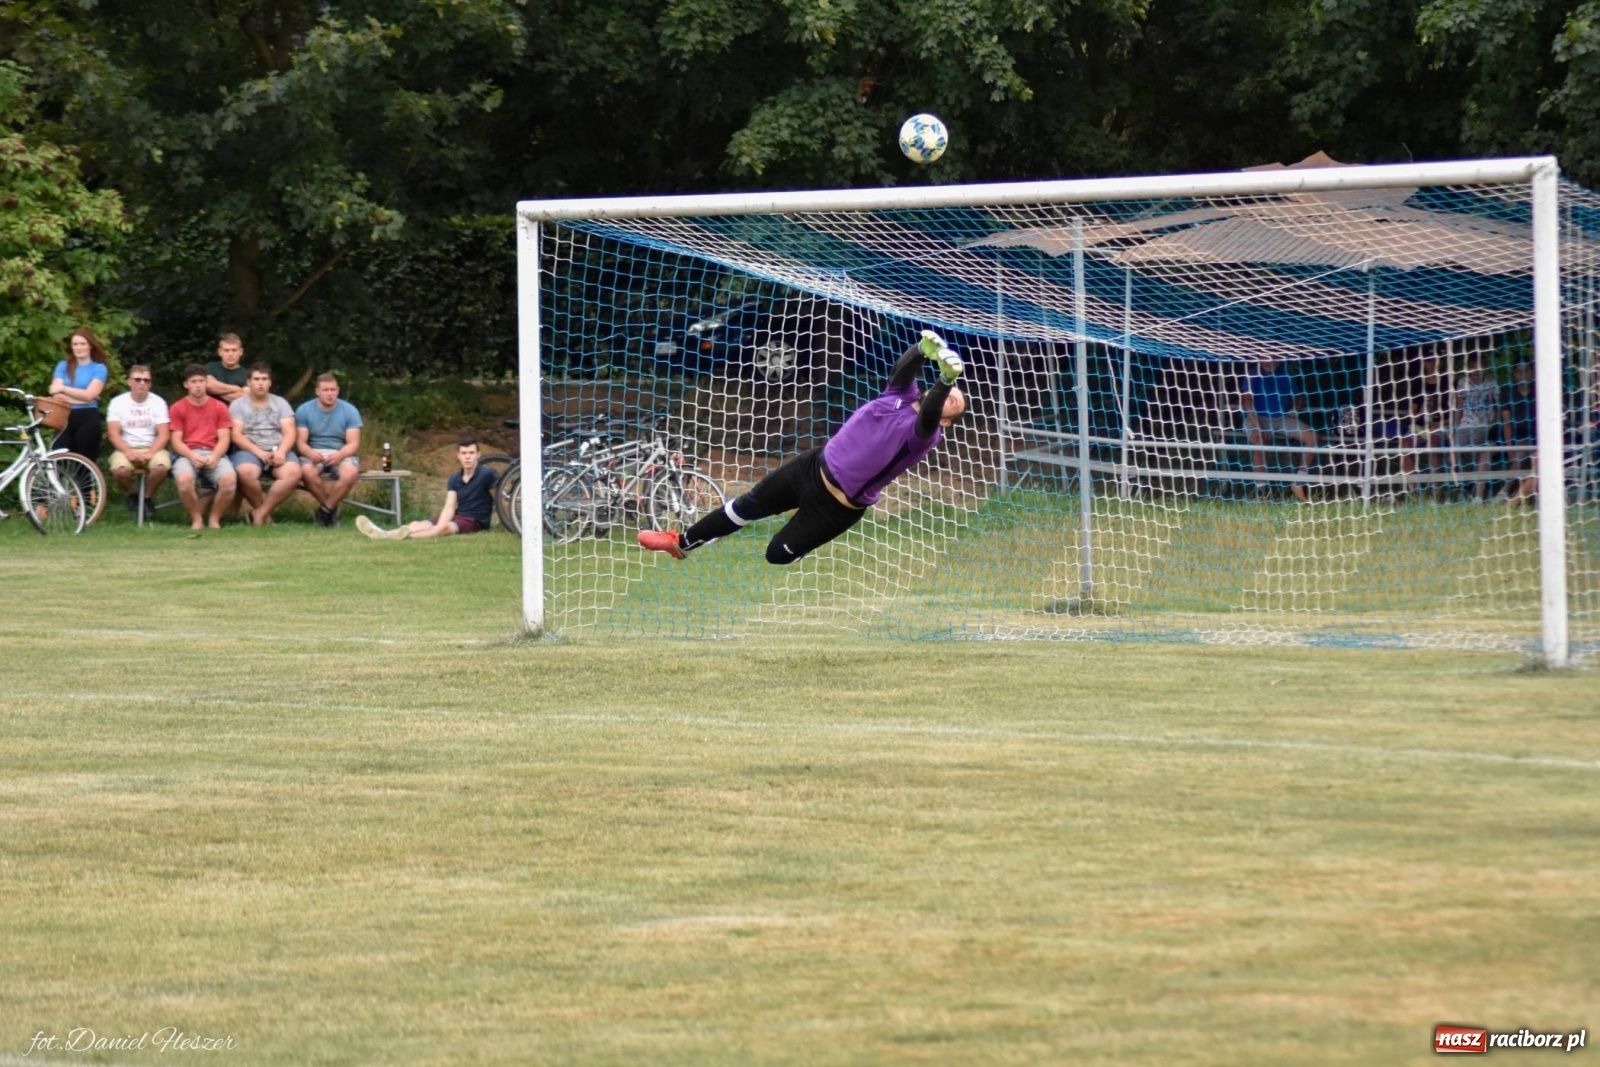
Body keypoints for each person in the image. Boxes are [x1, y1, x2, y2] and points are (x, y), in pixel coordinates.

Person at [637, 330, 966, 564]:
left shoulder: (924, 435)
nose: (951, 399)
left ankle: (803, 542)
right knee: (746, 505)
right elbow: (902, 370)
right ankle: (680, 544)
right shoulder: (899, 396)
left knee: (776, 555)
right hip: (812, 467)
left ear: (946, 422)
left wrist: (946, 381)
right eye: (951, 394)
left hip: (837, 506)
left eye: (956, 403)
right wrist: (922, 350)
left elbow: (931, 411)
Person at [355, 438, 496, 541]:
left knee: (444, 528)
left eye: (471, 453)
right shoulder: (454, 478)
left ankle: (396, 538)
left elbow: (499, 497)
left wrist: (510, 524)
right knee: (416, 524)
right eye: (464, 453)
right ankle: (385, 533)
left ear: (478, 455)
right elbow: (450, 506)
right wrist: (439, 523)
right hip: (458, 515)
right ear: (458, 456)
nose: (467, 457)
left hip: (475, 521)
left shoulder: (487, 473)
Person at [229, 362, 302, 525]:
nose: (260, 383)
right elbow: (236, 434)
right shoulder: (238, 405)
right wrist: (260, 453)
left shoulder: (281, 403)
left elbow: (290, 432)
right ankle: (265, 517)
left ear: (270, 382)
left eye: (264, 379)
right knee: (245, 473)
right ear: (249, 382)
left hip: (278, 448)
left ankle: (259, 514)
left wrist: (282, 452)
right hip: (249, 450)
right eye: (256, 379)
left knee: (293, 473)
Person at [168, 363, 237, 529]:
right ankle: (197, 518)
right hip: (187, 453)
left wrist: (214, 457)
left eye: (201, 381)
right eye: (193, 381)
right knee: (184, 480)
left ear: (207, 383)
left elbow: (224, 438)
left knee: (229, 481)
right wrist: (192, 456)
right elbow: (176, 440)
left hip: (214, 452)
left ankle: (214, 519)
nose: (198, 385)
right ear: (186, 384)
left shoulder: (219, 407)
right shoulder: (178, 407)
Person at [1241, 356, 1318, 502]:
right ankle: (1261, 491)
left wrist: (1294, 408)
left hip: (1281, 418)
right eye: (1266, 358)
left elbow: (1298, 396)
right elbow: (1247, 401)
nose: (1269, 361)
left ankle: (1298, 482)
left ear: (1281, 359)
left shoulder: (1285, 374)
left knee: (1312, 437)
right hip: (1257, 418)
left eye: (1274, 358)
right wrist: (1257, 427)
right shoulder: (1253, 374)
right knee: (1259, 441)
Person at [105, 365, 172, 520]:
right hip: (126, 447)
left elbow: (163, 435)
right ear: (130, 382)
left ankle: (146, 498)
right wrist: (129, 452)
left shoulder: (158, 402)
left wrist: (150, 453)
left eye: (146, 380)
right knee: (120, 471)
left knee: (162, 467)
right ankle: (131, 494)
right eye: (138, 379)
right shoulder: (118, 402)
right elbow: (113, 434)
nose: (142, 383)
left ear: (150, 384)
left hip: (152, 447)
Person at [295, 373, 363, 526]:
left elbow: (353, 444)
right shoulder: (304, 410)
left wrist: (340, 455)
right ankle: (331, 510)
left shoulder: (350, 411)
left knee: (350, 473)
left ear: (338, 391)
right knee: (306, 471)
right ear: (317, 391)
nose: (330, 394)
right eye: (325, 390)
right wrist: (309, 453)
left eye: (333, 390)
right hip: (314, 451)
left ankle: (324, 511)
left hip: (341, 451)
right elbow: (301, 443)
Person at [47, 327, 110, 461]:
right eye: (75, 344)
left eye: (82, 344)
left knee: (84, 463)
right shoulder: (63, 366)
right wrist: (84, 398)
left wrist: (63, 388)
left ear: (90, 346)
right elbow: (55, 394)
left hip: (88, 418)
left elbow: (89, 394)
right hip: (64, 417)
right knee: (58, 459)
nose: (79, 347)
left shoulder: (99, 368)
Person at [1452, 354, 1500, 502]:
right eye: (1472, 367)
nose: (1476, 371)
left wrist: (1494, 422)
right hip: (1465, 425)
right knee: (1453, 451)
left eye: (1479, 367)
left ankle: (1476, 493)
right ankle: (1459, 488)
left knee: (1479, 448)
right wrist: (1455, 428)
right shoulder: (1462, 383)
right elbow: (1459, 408)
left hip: (1484, 425)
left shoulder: (1491, 384)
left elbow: (1499, 407)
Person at [1499, 361, 1536, 505]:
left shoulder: (1539, 390)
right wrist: (1509, 447)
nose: (1522, 375)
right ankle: (1508, 493)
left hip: (1539, 435)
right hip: (1517, 436)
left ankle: (1508, 493)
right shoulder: (1507, 391)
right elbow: (1506, 422)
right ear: (1514, 374)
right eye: (1519, 371)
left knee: (1532, 456)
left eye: (1526, 371)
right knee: (1520, 453)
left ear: (1532, 373)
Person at [205, 333, 251, 405]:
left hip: (235, 415)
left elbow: (244, 398)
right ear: (220, 352)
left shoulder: (248, 374)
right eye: (226, 350)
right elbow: (208, 386)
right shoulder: (211, 367)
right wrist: (236, 389)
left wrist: (216, 390)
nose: (230, 354)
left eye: (234, 350)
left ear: (241, 352)